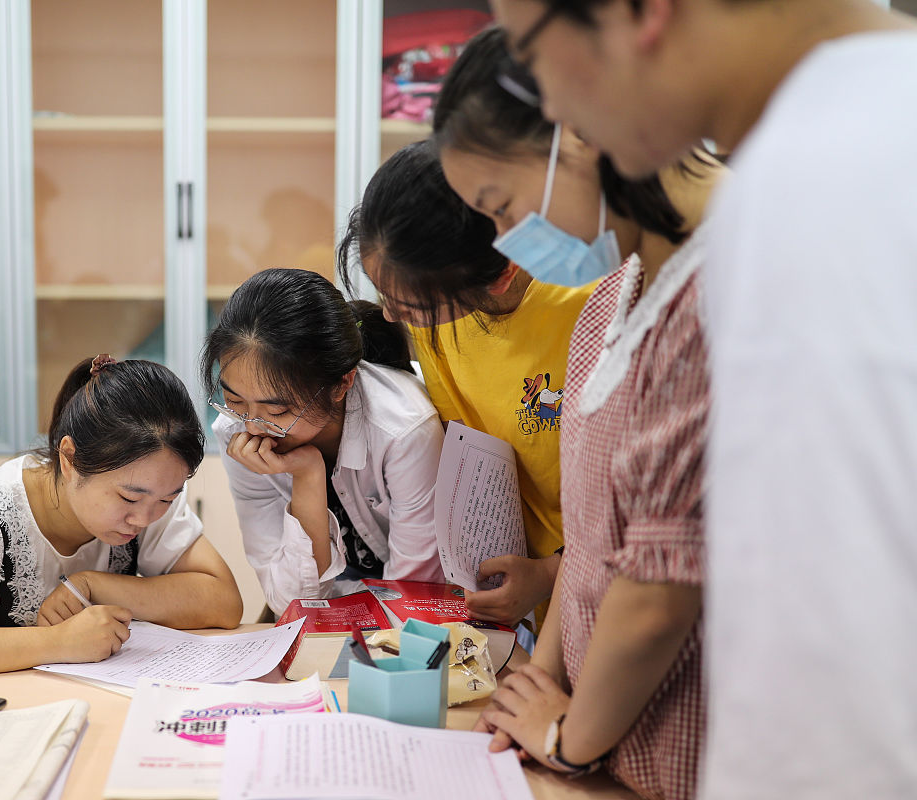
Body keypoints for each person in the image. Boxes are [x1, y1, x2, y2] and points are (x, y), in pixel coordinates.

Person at [487, 2, 917, 797]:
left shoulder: (831, 174)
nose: (552, 109)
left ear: (637, 13)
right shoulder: (803, 164)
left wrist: (569, 740)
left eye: (532, 52)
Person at [429, 27, 722, 800]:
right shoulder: (614, 298)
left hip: (680, 757)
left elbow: (659, 590)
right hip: (601, 756)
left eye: (502, 208)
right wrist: (539, 688)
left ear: (579, 127)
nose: (509, 245)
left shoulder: (720, 291)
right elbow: (590, 543)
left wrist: (567, 735)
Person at [337, 138, 592, 635]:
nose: (391, 316)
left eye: (412, 306)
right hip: (520, 598)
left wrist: (549, 574)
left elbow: (642, 503)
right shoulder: (439, 315)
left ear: (501, 275)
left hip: (604, 582)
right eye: (383, 294)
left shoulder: (588, 307)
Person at [0, 355, 243, 677]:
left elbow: (223, 602)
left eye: (167, 499)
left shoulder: (149, 490)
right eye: (128, 498)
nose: (144, 519)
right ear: (70, 458)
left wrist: (93, 585)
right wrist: (57, 643)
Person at [202, 267, 445, 616]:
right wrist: (307, 476)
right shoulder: (234, 432)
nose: (253, 427)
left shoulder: (405, 431)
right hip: (342, 606)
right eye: (234, 400)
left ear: (342, 384)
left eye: (278, 410)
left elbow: (413, 594)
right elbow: (290, 600)